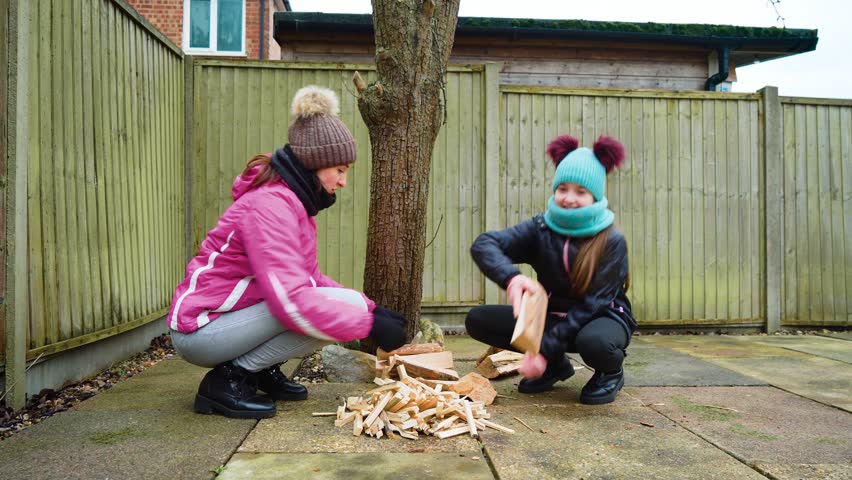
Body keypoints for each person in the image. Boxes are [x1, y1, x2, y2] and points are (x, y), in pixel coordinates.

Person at [167, 86, 407, 419]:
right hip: (201, 330)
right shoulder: (269, 206)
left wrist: (371, 308)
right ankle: (228, 381)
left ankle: (259, 370)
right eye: (340, 171)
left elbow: (311, 278)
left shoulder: (294, 205)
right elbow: (290, 300)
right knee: (325, 311)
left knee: (343, 305)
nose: (343, 182)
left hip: (230, 322)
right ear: (315, 164)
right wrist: (366, 324)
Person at [466, 134, 636, 405]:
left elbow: (591, 306)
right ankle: (557, 366)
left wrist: (542, 350)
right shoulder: (541, 228)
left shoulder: (611, 241)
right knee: (479, 319)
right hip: (554, 315)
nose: (568, 198)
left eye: (580, 192)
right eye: (562, 188)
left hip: (601, 317)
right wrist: (511, 278)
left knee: (595, 343)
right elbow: (485, 244)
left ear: (595, 195)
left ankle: (610, 373)